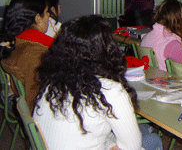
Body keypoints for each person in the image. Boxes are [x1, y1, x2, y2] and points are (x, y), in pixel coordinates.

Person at [33, 15, 162, 150]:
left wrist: (111, 144)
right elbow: (132, 147)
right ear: (107, 49)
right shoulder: (109, 90)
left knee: (143, 131)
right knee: (152, 140)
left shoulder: (52, 82)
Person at [0, 0, 52, 112]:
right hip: (38, 112)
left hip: (17, 100)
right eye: (46, 12)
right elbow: (35, 99)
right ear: (38, 18)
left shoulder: (13, 41)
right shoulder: (37, 53)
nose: (49, 16)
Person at [140, 0, 182, 71]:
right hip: (165, 80)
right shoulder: (172, 44)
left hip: (148, 79)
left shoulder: (146, 37)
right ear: (181, 19)